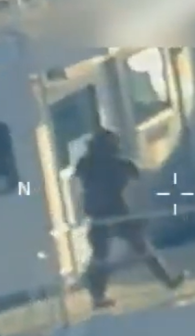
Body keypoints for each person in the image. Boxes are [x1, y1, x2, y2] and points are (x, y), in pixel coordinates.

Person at [74, 129, 186, 309]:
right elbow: (138, 177)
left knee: (102, 257)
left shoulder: (85, 164)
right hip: (116, 211)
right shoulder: (118, 164)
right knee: (139, 247)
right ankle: (167, 281)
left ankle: (97, 296)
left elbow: (81, 182)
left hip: (98, 214)